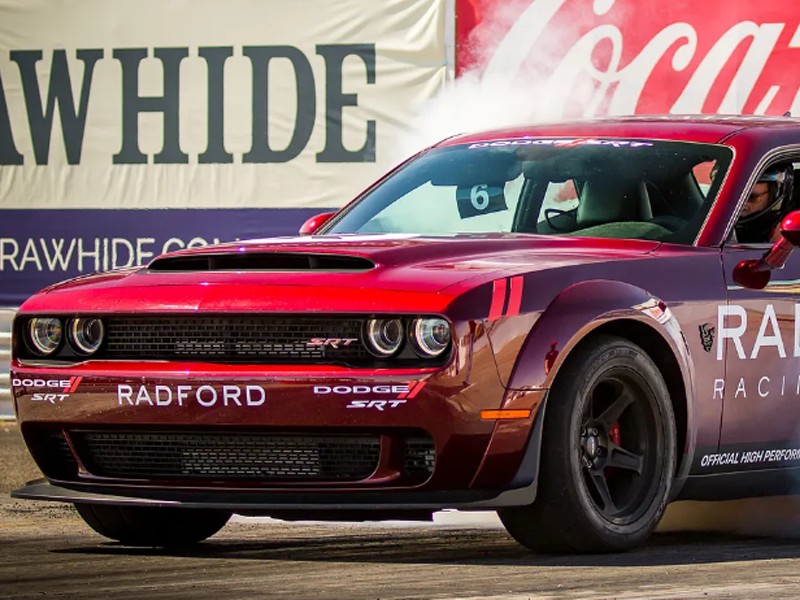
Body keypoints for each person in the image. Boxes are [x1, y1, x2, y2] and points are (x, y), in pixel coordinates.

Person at [734, 164, 795, 243]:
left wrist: (779, 250)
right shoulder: (720, 228)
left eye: (751, 197)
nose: (740, 204)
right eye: (735, 196)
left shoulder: (791, 235)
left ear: (775, 195)